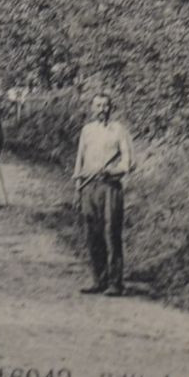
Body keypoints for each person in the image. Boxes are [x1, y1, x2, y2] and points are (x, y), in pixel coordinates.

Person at [73, 92, 136, 295]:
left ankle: (115, 283)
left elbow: (129, 161)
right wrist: (77, 187)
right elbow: (79, 160)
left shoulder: (119, 130)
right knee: (93, 234)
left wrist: (113, 171)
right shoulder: (87, 130)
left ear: (111, 107)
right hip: (89, 187)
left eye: (105, 105)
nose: (102, 109)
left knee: (111, 233)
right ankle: (98, 280)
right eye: (98, 105)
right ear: (92, 108)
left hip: (110, 187)